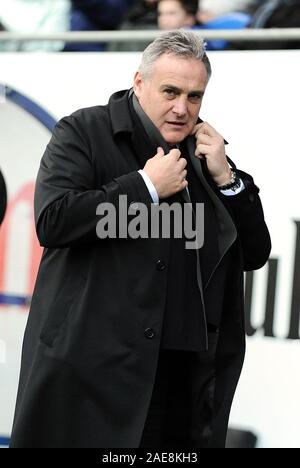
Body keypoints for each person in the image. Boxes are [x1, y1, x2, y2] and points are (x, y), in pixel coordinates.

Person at [10, 30, 271, 448]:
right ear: (139, 82)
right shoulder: (83, 131)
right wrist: (145, 186)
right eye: (170, 91)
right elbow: (54, 220)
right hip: (92, 377)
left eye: (194, 96)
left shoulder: (206, 154)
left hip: (179, 383)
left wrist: (228, 180)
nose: (181, 109)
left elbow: (255, 252)